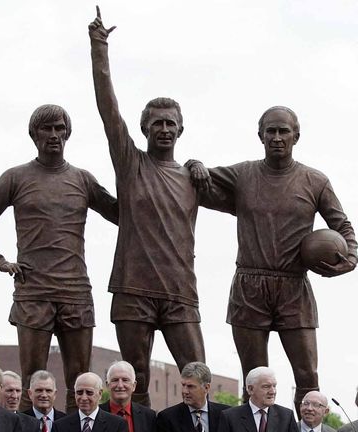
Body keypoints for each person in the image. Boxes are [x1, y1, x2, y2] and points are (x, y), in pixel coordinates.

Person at [187, 106, 358, 410]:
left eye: (284, 131)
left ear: (297, 136)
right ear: (260, 136)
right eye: (271, 131)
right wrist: (194, 163)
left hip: (294, 287)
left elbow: (342, 225)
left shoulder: (314, 181)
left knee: (308, 377)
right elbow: (197, 181)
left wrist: (350, 257)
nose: (277, 137)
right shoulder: (243, 174)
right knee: (254, 379)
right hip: (250, 286)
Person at [88, 7, 215, 407]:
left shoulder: (195, 177)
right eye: (156, 122)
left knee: (198, 376)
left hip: (180, 292)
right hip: (132, 289)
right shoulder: (131, 163)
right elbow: (108, 109)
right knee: (134, 381)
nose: (164, 128)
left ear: (181, 128)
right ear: (145, 128)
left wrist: (201, 166)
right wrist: (99, 49)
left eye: (170, 123)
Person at [0, 104, 118, 411]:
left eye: (59, 128)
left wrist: (140, 182)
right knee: (33, 382)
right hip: (33, 292)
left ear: (68, 133)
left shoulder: (83, 180)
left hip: (76, 291)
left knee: (81, 384)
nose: (53, 135)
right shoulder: (15, 178)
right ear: (33, 134)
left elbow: (123, 215)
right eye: (46, 129)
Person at [218, 367, 298, 432]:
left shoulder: (286, 416)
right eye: (266, 386)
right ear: (250, 389)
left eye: (274, 386)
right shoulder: (230, 417)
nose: (272, 391)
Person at [157, 362, 230, 432]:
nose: (184, 391)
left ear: (206, 388)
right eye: (183, 385)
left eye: (190, 386)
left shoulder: (226, 415)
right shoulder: (167, 418)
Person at [53, 373, 128, 432]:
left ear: (100, 394)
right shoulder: (60, 426)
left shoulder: (117, 425)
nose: (84, 398)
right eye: (79, 392)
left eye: (89, 392)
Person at [99, 361, 156, 432]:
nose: (120, 385)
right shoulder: (95, 414)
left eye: (125, 380)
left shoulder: (149, 417)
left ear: (134, 386)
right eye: (115, 380)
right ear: (107, 385)